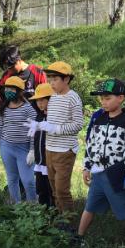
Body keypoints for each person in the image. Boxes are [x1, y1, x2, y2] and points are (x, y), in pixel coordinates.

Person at [77, 79, 125, 244]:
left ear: (120, 98)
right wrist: (87, 167)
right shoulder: (99, 119)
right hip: (98, 173)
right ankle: (79, 237)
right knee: (90, 206)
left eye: (107, 98)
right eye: (101, 99)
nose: (103, 102)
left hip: (116, 174)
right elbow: (91, 144)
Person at [27, 61, 84, 217]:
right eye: (49, 79)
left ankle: (69, 222)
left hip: (65, 151)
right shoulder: (52, 98)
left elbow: (79, 124)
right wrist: (40, 125)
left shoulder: (73, 98)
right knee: (53, 189)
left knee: (62, 190)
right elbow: (50, 121)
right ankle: (59, 219)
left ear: (66, 79)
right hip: (49, 149)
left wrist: (56, 129)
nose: (51, 83)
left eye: (55, 79)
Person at [0, 76, 38, 203]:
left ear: (20, 91)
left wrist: (32, 150)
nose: (8, 91)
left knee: (28, 181)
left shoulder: (28, 109)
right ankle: (16, 208)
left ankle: (33, 207)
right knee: (12, 179)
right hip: (6, 148)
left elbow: (34, 130)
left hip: (24, 149)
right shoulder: (4, 108)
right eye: (6, 88)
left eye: (11, 88)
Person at [29, 83, 55, 206]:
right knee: (41, 189)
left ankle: (55, 216)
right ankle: (43, 216)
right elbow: (33, 137)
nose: (39, 103)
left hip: (51, 161)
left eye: (43, 100)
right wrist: (32, 151)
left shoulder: (55, 118)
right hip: (39, 162)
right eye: (37, 100)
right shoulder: (38, 117)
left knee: (52, 190)